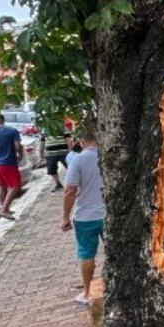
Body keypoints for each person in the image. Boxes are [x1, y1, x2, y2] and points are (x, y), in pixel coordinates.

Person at [60, 130, 107, 306]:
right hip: (108, 215)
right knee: (113, 251)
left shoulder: (77, 159)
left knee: (87, 254)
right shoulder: (108, 156)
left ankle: (87, 293)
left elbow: (69, 191)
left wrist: (65, 217)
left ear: (83, 139)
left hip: (85, 216)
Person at [0, 113, 24, 220]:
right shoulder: (12, 131)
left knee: (3, 187)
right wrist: (20, 155)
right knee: (15, 186)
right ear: (2, 120)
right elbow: (18, 146)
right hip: (7, 163)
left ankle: (5, 208)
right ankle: (3, 210)